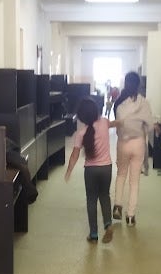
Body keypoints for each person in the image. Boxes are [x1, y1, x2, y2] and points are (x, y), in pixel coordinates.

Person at [64, 98, 114, 243]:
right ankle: (108, 224)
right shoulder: (104, 122)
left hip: (91, 170)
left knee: (91, 200)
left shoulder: (81, 133)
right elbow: (114, 123)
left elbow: (74, 155)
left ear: (81, 116)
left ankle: (93, 234)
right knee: (105, 196)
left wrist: (68, 171)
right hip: (106, 168)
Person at [111, 71, 155, 226]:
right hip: (138, 144)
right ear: (139, 85)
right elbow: (149, 126)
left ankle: (117, 206)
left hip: (122, 143)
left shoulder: (118, 102)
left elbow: (117, 124)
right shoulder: (143, 102)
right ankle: (130, 216)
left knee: (121, 175)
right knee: (134, 181)